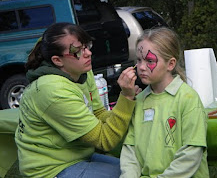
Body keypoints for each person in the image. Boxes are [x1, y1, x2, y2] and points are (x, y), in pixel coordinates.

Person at [14, 22, 139, 178]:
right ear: (57, 60)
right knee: (128, 175)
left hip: (77, 155)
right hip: (50, 169)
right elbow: (105, 140)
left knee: (136, 168)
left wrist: (130, 108)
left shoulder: (81, 72)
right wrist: (126, 98)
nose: (88, 54)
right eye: (77, 51)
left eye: (86, 46)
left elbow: (98, 114)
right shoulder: (52, 90)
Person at [120, 27, 209, 178]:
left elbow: (191, 154)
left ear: (170, 64)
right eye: (139, 60)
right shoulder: (140, 100)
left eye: (150, 61)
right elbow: (130, 150)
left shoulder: (188, 99)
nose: (141, 67)